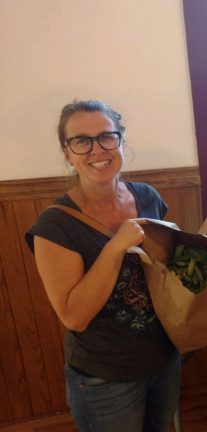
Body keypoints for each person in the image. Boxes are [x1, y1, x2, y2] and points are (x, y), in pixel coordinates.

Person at [25, 100, 180, 431]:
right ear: (67, 153)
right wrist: (115, 247)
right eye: (81, 141)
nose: (97, 149)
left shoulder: (147, 197)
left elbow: (162, 273)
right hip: (104, 377)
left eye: (107, 136)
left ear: (121, 140)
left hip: (163, 358)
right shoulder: (55, 226)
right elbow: (74, 316)